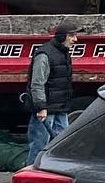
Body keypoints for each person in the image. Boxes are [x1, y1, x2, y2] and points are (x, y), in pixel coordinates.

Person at [26, 22, 80, 163]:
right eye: (72, 36)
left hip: (60, 108)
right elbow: (37, 83)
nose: (75, 39)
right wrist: (41, 107)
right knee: (39, 145)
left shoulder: (63, 53)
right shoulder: (44, 55)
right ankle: (31, 177)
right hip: (46, 110)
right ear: (63, 36)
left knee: (61, 146)